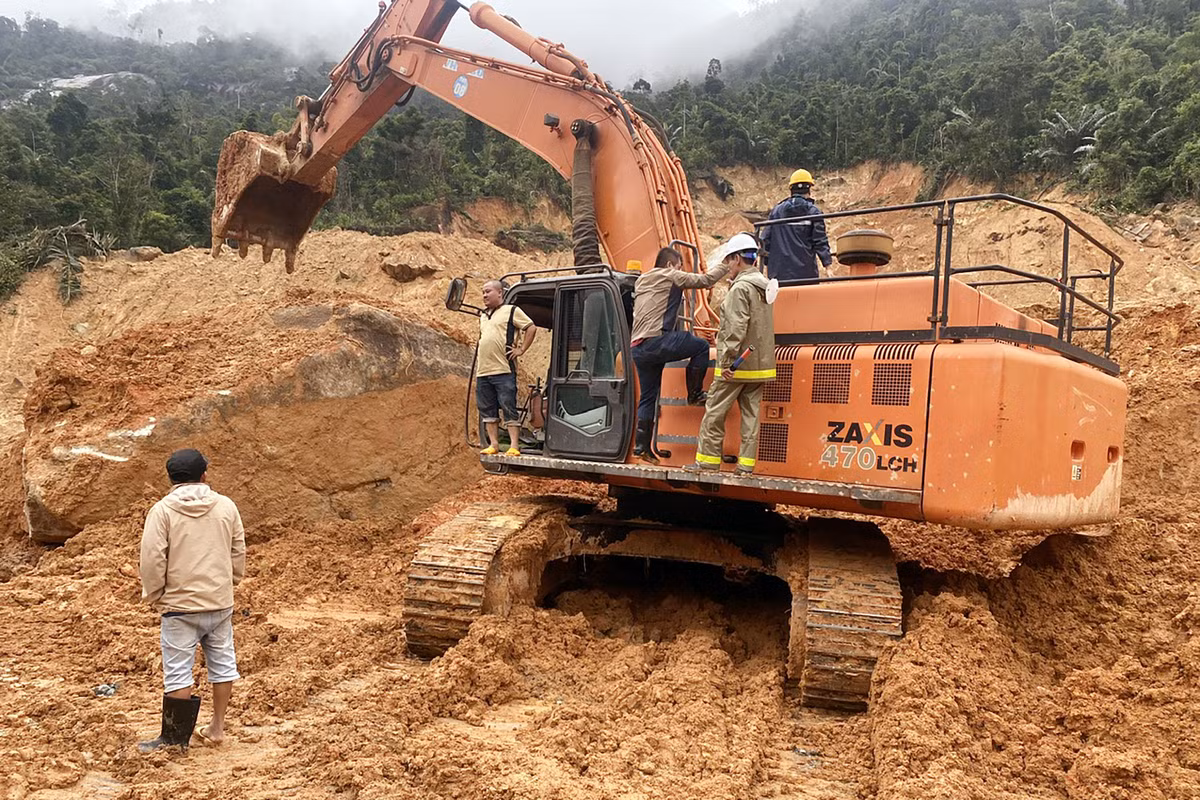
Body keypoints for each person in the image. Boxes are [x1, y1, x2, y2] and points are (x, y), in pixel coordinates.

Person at [138, 448, 246, 753]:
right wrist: (230, 581)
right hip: (219, 602)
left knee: (178, 670)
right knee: (223, 664)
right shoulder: (226, 506)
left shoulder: (162, 511)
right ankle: (216, 728)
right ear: (204, 475)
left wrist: (155, 593)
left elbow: (152, 558)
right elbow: (238, 549)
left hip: (180, 607)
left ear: (171, 479)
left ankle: (174, 740)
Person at [629, 243, 738, 463]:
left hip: (638, 348)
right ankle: (695, 394)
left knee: (648, 397)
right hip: (657, 341)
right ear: (670, 265)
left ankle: (642, 447)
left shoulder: (642, 280)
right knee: (700, 346)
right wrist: (727, 265)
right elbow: (705, 281)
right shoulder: (670, 275)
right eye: (679, 266)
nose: (680, 270)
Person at [689, 237, 777, 474]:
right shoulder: (764, 287)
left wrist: (728, 361)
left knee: (715, 411)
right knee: (751, 417)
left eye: (728, 261)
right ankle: (745, 467)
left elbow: (736, 328)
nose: (727, 266)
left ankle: (707, 462)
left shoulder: (740, 289)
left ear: (737, 258)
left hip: (737, 365)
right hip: (759, 366)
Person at [477, 279, 537, 456]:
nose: (484, 295)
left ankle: (514, 446)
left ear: (500, 293)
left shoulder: (511, 311)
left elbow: (531, 328)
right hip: (483, 371)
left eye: (488, 291)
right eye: (483, 292)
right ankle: (494, 444)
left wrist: (521, 349)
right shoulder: (483, 316)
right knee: (487, 409)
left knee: (508, 406)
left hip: (503, 370)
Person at [761, 168, 833, 282]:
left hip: (779, 276)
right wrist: (827, 265)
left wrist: (767, 263)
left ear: (791, 189)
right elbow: (820, 241)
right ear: (809, 189)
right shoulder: (813, 212)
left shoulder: (776, 211)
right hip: (806, 274)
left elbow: (765, 240)